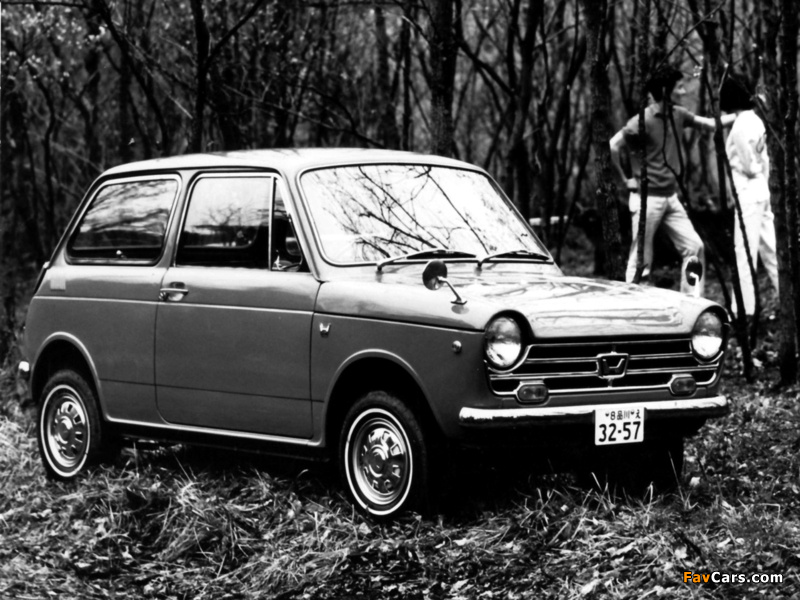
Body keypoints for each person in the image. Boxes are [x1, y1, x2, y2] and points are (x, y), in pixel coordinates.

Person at [610, 66, 735, 295]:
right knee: (640, 260)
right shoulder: (643, 120)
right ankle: (632, 304)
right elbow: (613, 146)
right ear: (666, 91)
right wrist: (625, 180)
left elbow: (709, 125)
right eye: (679, 87)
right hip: (647, 200)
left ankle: (691, 302)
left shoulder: (678, 114)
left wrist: (742, 114)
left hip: (670, 197)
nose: (684, 91)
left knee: (694, 247)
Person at [719, 77, 778, 317]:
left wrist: (754, 174)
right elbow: (764, 161)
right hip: (761, 190)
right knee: (771, 249)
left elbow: (748, 164)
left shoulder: (740, 126)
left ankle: (744, 310)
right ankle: (788, 298)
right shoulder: (755, 120)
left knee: (745, 252)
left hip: (748, 193)